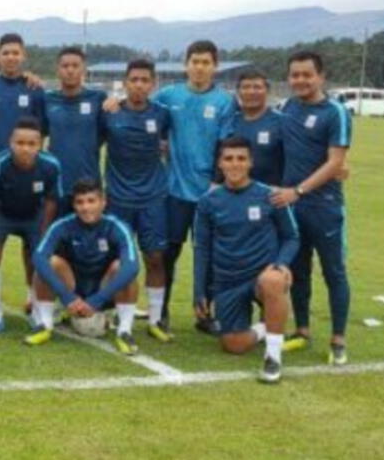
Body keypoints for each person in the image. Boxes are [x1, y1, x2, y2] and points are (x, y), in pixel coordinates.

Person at [120, 40, 235, 333]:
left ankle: (205, 313)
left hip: (209, 193)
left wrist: (216, 183)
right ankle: (163, 311)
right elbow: (142, 110)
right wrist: (114, 101)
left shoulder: (223, 102)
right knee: (167, 254)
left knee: (208, 255)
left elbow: (225, 145)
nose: (199, 67)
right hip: (172, 191)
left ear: (215, 66)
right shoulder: (169, 96)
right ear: (186, 64)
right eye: (194, 61)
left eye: (206, 62)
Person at [194, 137, 298, 383]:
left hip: (261, 276)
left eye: (241, 158)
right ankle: (269, 324)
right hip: (228, 281)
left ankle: (273, 359)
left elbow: (291, 237)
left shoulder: (270, 196)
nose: (235, 164)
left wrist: (281, 264)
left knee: (273, 280)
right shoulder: (208, 201)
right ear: (220, 163)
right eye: (228, 159)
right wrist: (200, 290)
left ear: (251, 162)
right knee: (234, 345)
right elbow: (202, 248)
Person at [270, 50, 351, 364]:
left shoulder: (335, 112)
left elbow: (336, 162)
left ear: (321, 76)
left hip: (325, 206)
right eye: (295, 75)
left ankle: (339, 339)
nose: (300, 80)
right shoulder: (287, 107)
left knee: (334, 272)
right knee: (298, 271)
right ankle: (302, 331)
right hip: (293, 207)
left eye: (307, 74)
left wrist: (299, 190)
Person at [100, 59, 173, 341]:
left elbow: (170, 144)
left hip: (153, 197)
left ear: (152, 84)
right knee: (117, 259)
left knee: (154, 257)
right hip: (117, 198)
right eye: (134, 80)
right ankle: (118, 315)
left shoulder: (163, 114)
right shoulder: (109, 112)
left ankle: (155, 319)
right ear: (125, 83)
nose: (139, 85)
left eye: (145, 80)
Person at [25, 179, 140, 355]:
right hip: (73, 290)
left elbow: (132, 266)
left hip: (103, 291)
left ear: (103, 202)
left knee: (121, 267)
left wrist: (97, 300)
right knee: (49, 262)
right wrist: (67, 297)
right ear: (74, 205)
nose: (86, 207)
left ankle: (124, 331)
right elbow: (38, 257)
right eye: (80, 202)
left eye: (91, 201)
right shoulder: (62, 225)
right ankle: (44, 324)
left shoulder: (117, 226)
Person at [0, 117, 62, 333]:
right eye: (20, 143)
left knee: (38, 258)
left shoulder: (50, 165)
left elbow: (51, 200)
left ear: (40, 145)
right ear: (10, 143)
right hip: (3, 214)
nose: (25, 148)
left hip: (33, 215)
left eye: (31, 144)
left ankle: (35, 306)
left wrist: (44, 231)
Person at [44, 46, 106, 214]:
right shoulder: (47, 99)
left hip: (89, 185)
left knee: (91, 237)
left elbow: (108, 133)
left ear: (83, 69)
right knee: (57, 237)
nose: (70, 70)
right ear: (57, 70)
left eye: (75, 65)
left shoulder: (98, 99)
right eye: (65, 66)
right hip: (56, 186)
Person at [0, 33, 45, 155]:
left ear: (23, 56)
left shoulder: (34, 88)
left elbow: (41, 131)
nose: (10, 57)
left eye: (15, 53)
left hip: (25, 164)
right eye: (5, 53)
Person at [221, 69, 285, 186]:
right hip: (235, 195)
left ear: (267, 90)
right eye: (246, 87)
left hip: (270, 197)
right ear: (238, 92)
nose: (251, 92)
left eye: (257, 87)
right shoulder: (230, 121)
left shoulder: (282, 122)